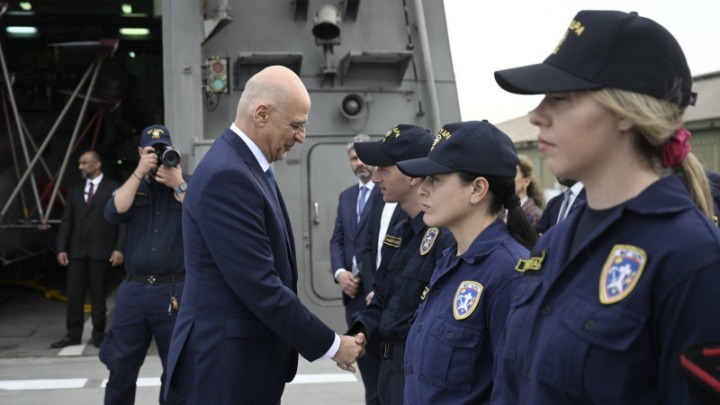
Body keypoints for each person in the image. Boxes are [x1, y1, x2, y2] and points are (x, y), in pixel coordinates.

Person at [492, 10, 720, 403]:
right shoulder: (555, 241)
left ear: (626, 113)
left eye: (560, 97)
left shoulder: (692, 259)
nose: (536, 115)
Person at [164, 65, 365, 404]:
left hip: (241, 364)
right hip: (225, 370)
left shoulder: (245, 167)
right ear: (261, 114)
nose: (301, 137)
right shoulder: (228, 176)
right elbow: (260, 286)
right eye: (296, 125)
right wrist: (333, 345)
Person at [396, 120, 536, 404]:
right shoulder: (451, 259)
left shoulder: (510, 274)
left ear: (477, 189)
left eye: (435, 179)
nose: (422, 189)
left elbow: (519, 391)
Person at [348, 124, 454, 405]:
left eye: (385, 169)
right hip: (391, 373)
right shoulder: (399, 233)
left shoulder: (447, 238)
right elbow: (382, 299)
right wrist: (359, 334)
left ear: (414, 175)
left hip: (420, 376)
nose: (376, 178)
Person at [101, 124, 189, 405]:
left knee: (178, 370)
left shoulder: (187, 184)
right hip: (134, 290)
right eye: (152, 151)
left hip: (174, 291)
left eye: (164, 149)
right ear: (141, 152)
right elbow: (114, 211)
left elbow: (205, 216)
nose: (158, 156)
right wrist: (139, 172)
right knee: (120, 366)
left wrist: (178, 184)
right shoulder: (134, 186)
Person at [52, 151, 126, 349]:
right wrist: (61, 248)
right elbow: (67, 221)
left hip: (102, 251)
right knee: (74, 295)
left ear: (97, 164)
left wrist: (119, 249)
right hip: (77, 252)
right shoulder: (75, 190)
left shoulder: (114, 188)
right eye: (80, 163)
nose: (80, 167)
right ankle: (72, 335)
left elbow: (123, 222)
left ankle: (99, 335)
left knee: (99, 296)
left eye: (84, 163)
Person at [330, 134, 382, 405]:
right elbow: (337, 239)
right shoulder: (346, 197)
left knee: (386, 375)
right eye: (353, 158)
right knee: (368, 376)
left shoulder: (387, 194)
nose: (359, 163)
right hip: (354, 298)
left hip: (377, 295)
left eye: (363, 157)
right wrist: (340, 273)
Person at [515, 154, 544, 226]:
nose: (508, 177)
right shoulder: (498, 213)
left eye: (514, 173)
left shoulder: (535, 216)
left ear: (526, 181)